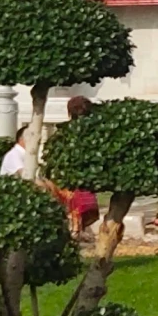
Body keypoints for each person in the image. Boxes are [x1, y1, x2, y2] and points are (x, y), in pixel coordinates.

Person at [60, 98, 100, 230]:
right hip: (84, 181)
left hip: (70, 180)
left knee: (73, 212)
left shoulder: (64, 132)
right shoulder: (94, 132)